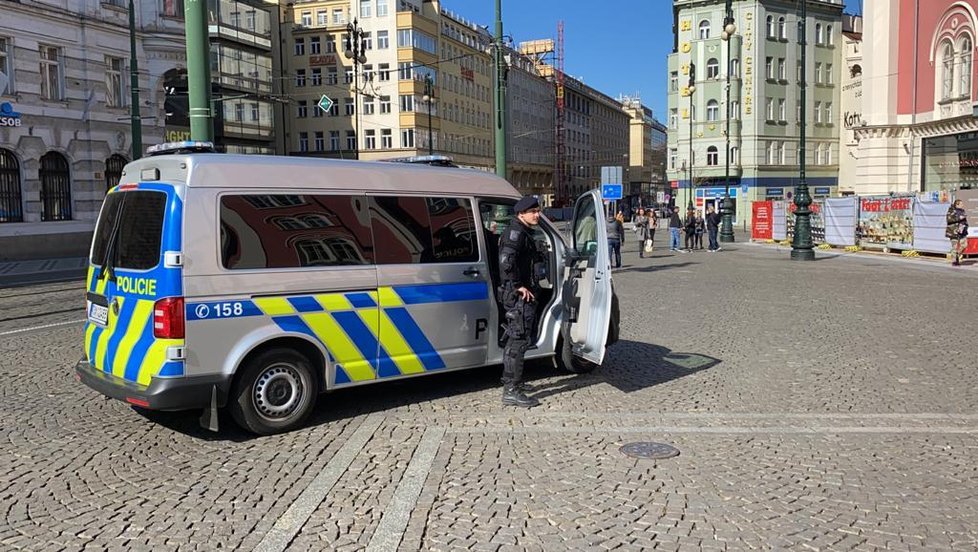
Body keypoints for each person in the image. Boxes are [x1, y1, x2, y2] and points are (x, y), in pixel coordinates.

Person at [497, 196, 543, 407]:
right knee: (518, 341)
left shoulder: (522, 231)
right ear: (520, 213)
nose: (537, 215)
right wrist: (517, 285)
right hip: (518, 297)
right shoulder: (515, 233)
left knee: (517, 340)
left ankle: (513, 383)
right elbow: (507, 262)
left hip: (520, 295)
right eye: (533, 211)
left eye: (538, 210)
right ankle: (511, 390)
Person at [946, 199, 969, 266]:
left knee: (964, 245)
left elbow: (964, 220)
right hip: (953, 232)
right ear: (957, 204)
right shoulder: (951, 211)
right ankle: (954, 261)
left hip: (962, 231)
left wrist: (966, 226)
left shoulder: (963, 211)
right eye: (961, 204)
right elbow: (949, 219)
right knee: (954, 247)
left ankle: (957, 255)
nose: (963, 205)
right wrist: (959, 218)